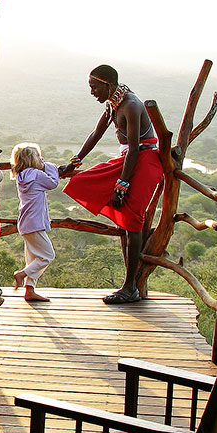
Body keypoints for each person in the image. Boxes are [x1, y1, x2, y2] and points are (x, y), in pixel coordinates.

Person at [60, 65, 165, 304]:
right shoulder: (113, 105)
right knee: (82, 182)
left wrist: (121, 186)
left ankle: (130, 287)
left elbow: (136, 148)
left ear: (108, 85)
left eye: (94, 87)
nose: (92, 92)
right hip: (128, 160)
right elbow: (96, 133)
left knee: (133, 221)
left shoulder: (131, 104)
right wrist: (74, 162)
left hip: (145, 161)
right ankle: (130, 286)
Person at [10, 143, 59, 302]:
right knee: (47, 256)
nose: (41, 159)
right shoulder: (37, 175)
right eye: (38, 156)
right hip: (35, 223)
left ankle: (29, 290)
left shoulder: (21, 176)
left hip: (26, 222)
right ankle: (21, 274)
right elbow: (53, 183)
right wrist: (48, 166)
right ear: (31, 159)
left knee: (33, 259)